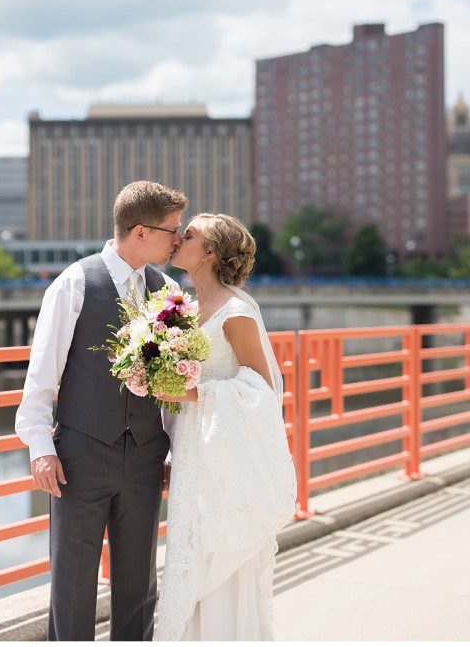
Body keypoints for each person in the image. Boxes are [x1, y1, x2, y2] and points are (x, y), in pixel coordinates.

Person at [15, 180, 187, 641]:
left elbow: (173, 381)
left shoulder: (169, 290)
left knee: (139, 584)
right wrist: (40, 448)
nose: (177, 239)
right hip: (80, 457)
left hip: (147, 456)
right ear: (140, 231)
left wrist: (173, 450)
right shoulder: (74, 283)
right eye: (171, 229)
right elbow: (42, 375)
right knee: (72, 582)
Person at [154, 213, 297, 640]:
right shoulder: (182, 308)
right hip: (192, 451)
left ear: (210, 253)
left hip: (222, 462)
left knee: (215, 553)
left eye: (189, 235)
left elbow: (261, 391)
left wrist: (193, 392)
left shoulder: (235, 312)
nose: (178, 238)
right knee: (189, 553)